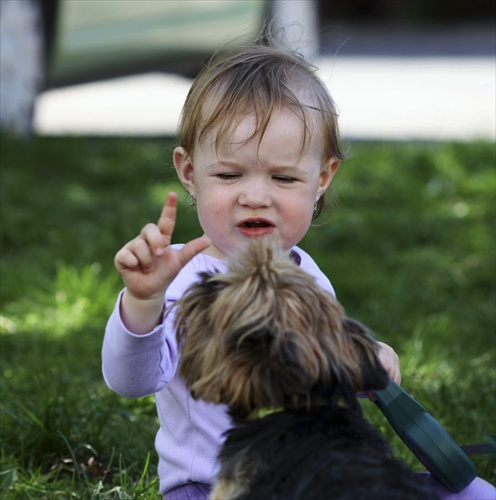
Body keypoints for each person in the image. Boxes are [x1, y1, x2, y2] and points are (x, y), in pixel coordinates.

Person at [102, 40, 494, 499]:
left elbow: (318, 373)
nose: (255, 196)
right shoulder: (180, 278)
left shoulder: (307, 275)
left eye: (283, 178)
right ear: (189, 173)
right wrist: (143, 302)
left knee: (473, 493)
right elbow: (131, 382)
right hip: (214, 484)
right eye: (230, 175)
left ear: (321, 178)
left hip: (315, 474)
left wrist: (367, 358)